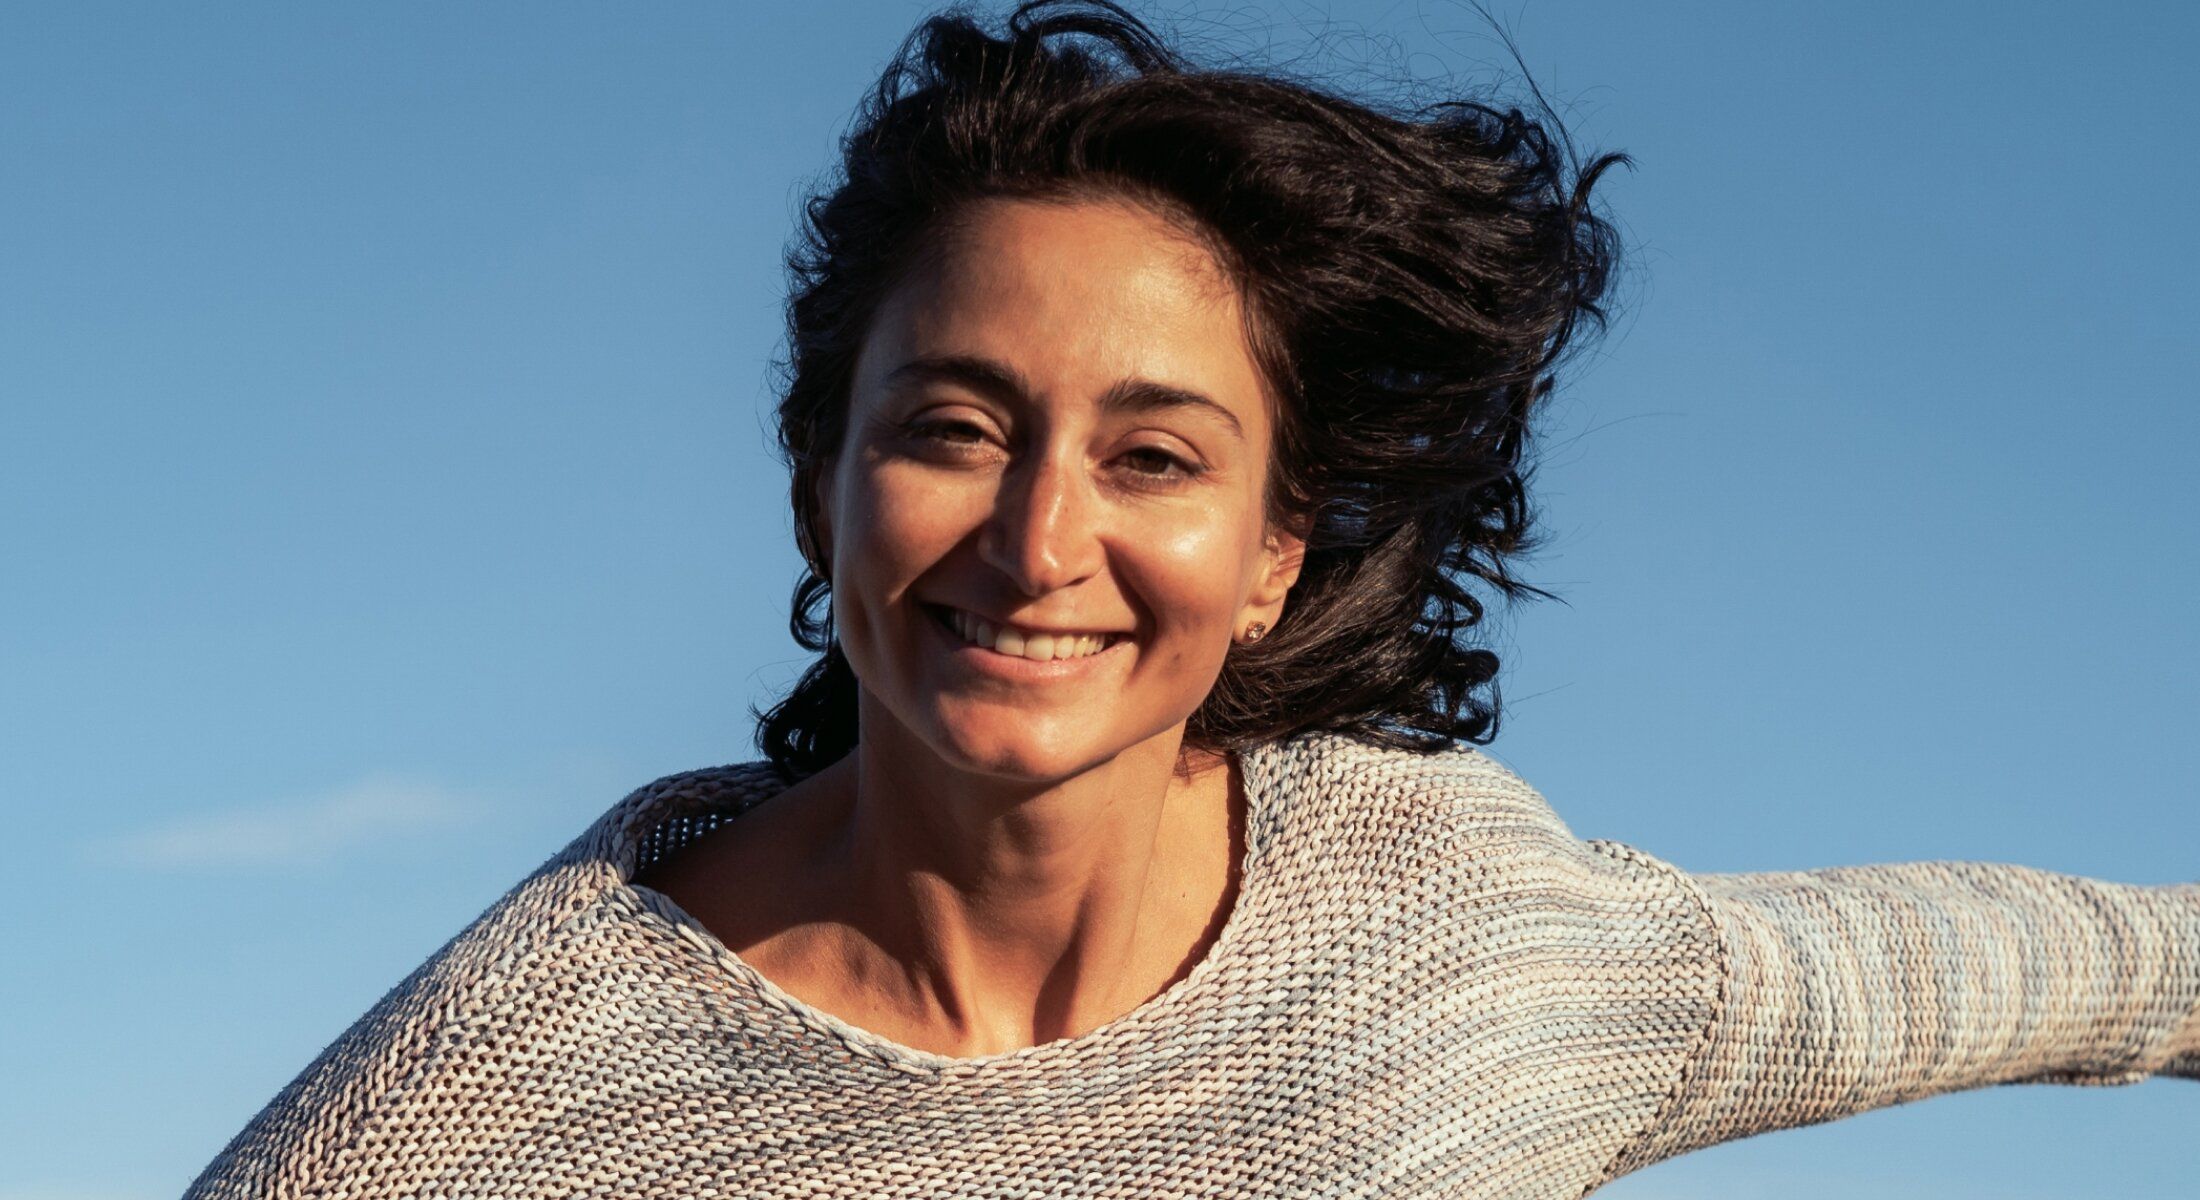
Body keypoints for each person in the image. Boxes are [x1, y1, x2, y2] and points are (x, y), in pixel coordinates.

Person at [184, 2, 2198, 1196]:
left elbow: (1983, 969)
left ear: (1269, 554)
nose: (1039, 542)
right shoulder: (505, 1097)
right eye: (955, 431)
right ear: (820, 485)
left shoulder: (1462, 949)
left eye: (1150, 458)